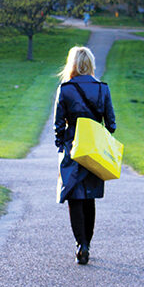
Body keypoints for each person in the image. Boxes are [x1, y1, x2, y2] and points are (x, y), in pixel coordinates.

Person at [53, 46, 116, 265]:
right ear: (90, 64)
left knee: (73, 196)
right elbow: (112, 124)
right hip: (95, 149)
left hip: (73, 147)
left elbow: (58, 126)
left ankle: (81, 244)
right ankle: (87, 243)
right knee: (89, 197)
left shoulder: (65, 89)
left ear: (72, 64)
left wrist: (61, 147)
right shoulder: (102, 89)